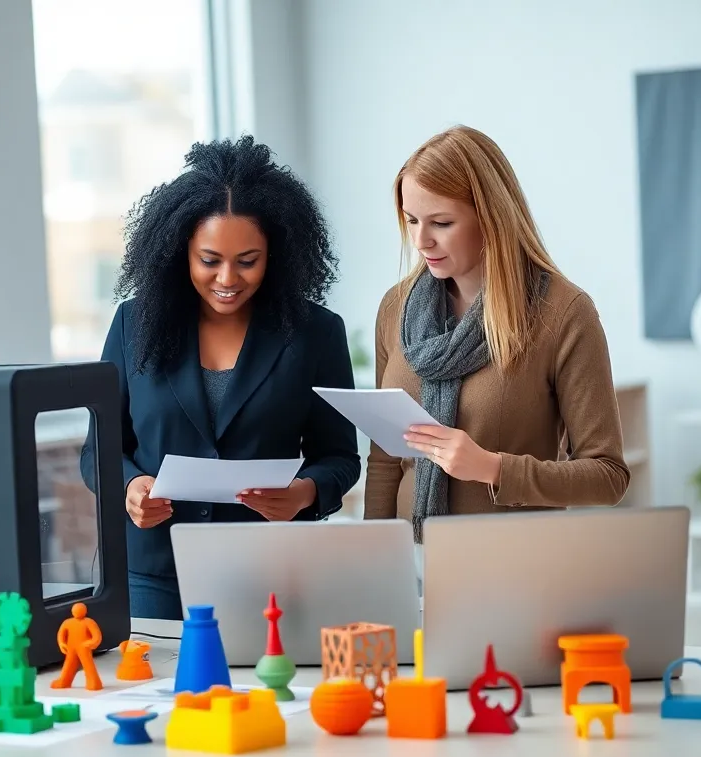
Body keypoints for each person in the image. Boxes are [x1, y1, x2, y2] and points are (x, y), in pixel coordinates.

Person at [80, 136, 362, 619]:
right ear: (179, 252)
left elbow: (338, 456)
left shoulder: (316, 333)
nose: (228, 278)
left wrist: (304, 493)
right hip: (150, 571)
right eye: (209, 260)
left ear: (276, 254)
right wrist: (131, 487)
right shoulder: (134, 324)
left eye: (247, 261)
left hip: (267, 571)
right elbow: (98, 451)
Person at [364, 125, 629, 542]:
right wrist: (372, 562)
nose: (420, 240)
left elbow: (608, 476)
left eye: (441, 222)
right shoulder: (395, 308)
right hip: (411, 565)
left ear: (490, 216)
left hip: (515, 567)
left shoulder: (564, 313)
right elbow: (384, 460)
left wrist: (492, 468)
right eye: (411, 220)